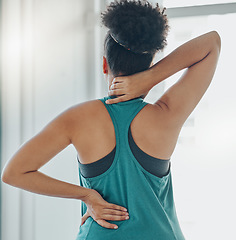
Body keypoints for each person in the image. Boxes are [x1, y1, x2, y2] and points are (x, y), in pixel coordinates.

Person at [1, 0, 221, 239]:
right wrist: (151, 77)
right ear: (149, 64)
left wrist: (87, 195)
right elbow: (212, 43)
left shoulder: (78, 118)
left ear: (105, 64)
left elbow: (14, 173)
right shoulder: (166, 113)